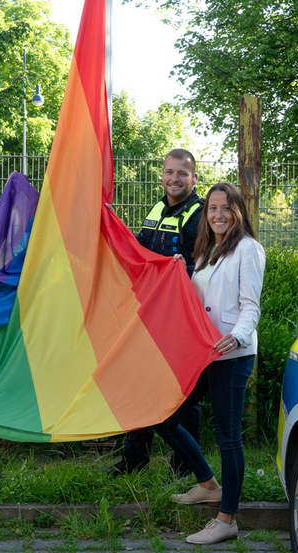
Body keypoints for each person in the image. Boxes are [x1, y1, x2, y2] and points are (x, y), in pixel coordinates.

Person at [155, 182, 266, 545]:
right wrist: (179, 270)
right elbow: (199, 297)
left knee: (228, 439)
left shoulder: (248, 249)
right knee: (166, 417)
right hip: (202, 352)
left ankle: (227, 518)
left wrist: (238, 335)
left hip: (231, 355)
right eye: (212, 208)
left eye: (226, 208)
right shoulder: (207, 250)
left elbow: (251, 305)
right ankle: (207, 484)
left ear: (239, 212)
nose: (218, 215)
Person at [107, 149, 205, 477]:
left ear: (193, 178)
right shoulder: (159, 208)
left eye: (182, 174)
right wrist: (112, 226)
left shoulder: (201, 214)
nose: (174, 179)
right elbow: (140, 250)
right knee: (141, 385)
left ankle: (185, 468)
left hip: (183, 319)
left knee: (184, 394)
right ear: (161, 175)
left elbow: (210, 265)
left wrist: (183, 268)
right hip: (150, 316)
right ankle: (135, 460)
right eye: (169, 172)